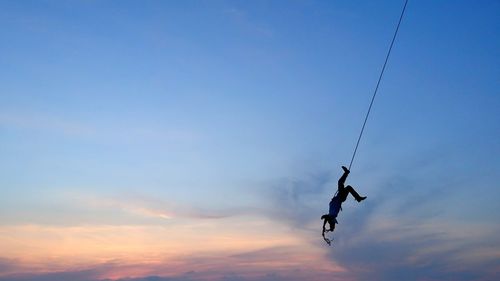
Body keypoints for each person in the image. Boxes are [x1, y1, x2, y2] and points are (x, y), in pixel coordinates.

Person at [321, 166, 366, 245]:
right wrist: (324, 218)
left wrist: (324, 227)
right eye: (331, 222)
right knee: (341, 183)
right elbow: (327, 217)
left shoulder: (331, 214)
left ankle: (358, 198)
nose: (329, 220)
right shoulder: (333, 215)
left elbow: (327, 219)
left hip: (340, 196)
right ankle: (347, 173)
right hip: (341, 197)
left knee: (346, 186)